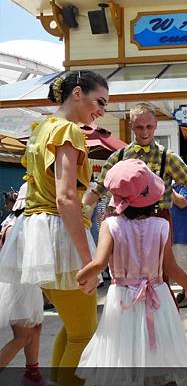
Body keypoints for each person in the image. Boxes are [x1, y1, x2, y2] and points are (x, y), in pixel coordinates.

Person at [0, 71, 108, 385]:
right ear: (78, 93)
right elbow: (65, 196)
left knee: (74, 330)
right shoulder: (68, 131)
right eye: (98, 101)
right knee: (84, 333)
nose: (101, 110)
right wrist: (90, 260)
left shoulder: (42, 127)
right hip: (56, 233)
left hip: (35, 233)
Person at [74, 160, 187, 385]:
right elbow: (171, 268)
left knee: (123, 357)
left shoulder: (110, 225)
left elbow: (99, 263)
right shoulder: (162, 226)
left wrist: (81, 277)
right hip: (158, 299)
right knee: (159, 358)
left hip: (122, 299)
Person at [83, 102, 187, 235]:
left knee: (161, 257)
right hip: (125, 219)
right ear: (131, 126)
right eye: (139, 127)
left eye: (149, 126)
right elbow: (98, 190)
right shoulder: (119, 156)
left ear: (155, 124)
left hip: (158, 217)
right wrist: (80, 210)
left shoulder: (168, 157)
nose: (145, 132)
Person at [0, 183, 45, 386]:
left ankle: (32, 374)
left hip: (26, 286)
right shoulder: (21, 226)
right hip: (20, 286)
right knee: (23, 335)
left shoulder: (15, 222)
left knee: (35, 329)